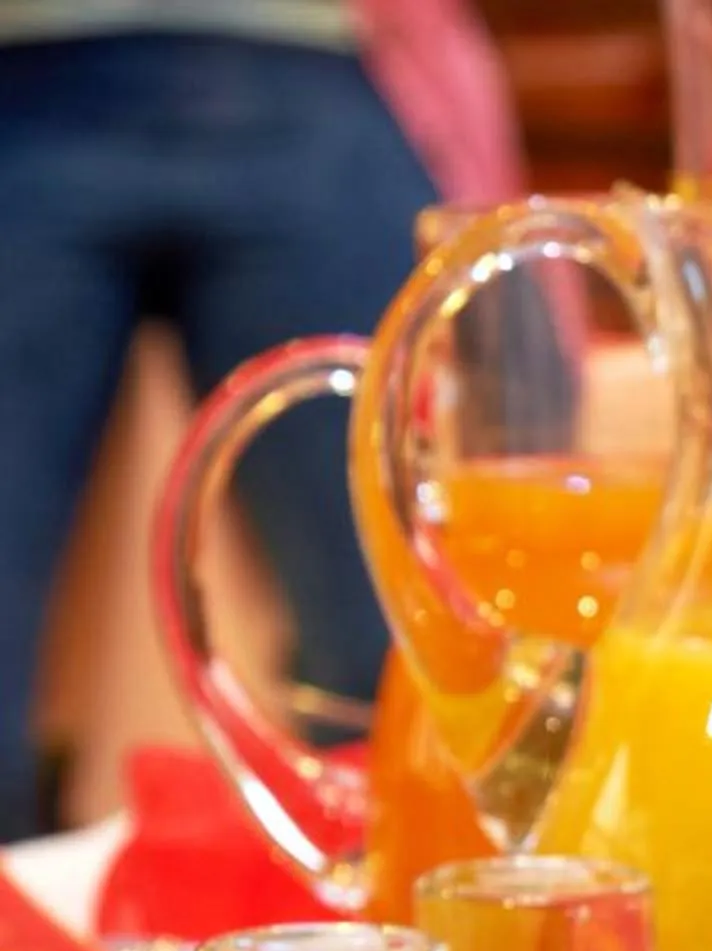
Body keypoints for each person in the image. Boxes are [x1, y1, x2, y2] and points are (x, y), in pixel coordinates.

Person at [0, 0, 526, 844]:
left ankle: (395, 927)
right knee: (399, 653)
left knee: (404, 662)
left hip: (304, 57)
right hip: (33, 68)